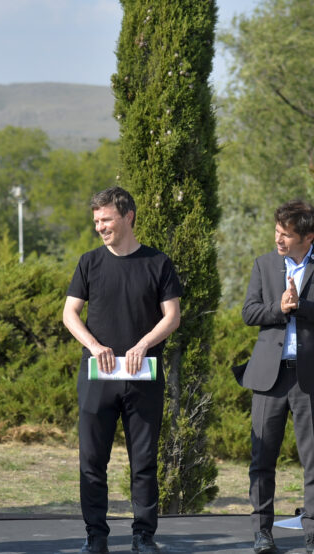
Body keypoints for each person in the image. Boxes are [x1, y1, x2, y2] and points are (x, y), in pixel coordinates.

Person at [62, 186, 182, 554]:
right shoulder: (89, 263)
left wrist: (144, 344)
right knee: (92, 462)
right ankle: (95, 536)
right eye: (96, 221)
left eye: (106, 219)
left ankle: (143, 536)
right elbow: (69, 313)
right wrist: (93, 346)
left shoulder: (158, 263)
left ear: (128, 217)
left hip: (143, 377)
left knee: (143, 462)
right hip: (97, 377)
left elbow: (172, 316)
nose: (100, 226)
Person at [237, 199, 314, 554]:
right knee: (261, 459)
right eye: (277, 232)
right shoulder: (264, 264)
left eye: (286, 235)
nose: (278, 239)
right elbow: (249, 312)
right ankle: (262, 532)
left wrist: (301, 306)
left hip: (311, 378)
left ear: (308, 237)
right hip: (269, 378)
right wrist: (279, 307)